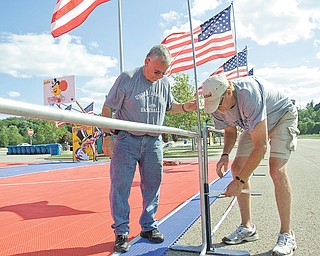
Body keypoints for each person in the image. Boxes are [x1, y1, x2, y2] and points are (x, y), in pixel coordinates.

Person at [101, 44, 197, 253]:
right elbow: (108, 106)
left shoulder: (164, 82)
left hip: (153, 141)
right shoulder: (127, 78)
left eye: (164, 72)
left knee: (153, 185)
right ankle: (121, 232)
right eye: (157, 71)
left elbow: (171, 106)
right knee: (121, 187)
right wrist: (107, 135)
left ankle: (148, 226)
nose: (160, 76)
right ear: (147, 62)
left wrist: (185, 107)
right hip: (126, 140)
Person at [201, 73, 299, 256]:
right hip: (253, 123)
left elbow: (261, 146)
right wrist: (224, 155)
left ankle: (287, 235)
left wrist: (238, 182)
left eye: (219, 105)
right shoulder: (215, 103)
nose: (218, 110)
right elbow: (230, 132)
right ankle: (248, 228)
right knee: (236, 167)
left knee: (276, 169)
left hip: (281, 116)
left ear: (229, 91)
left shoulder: (248, 95)